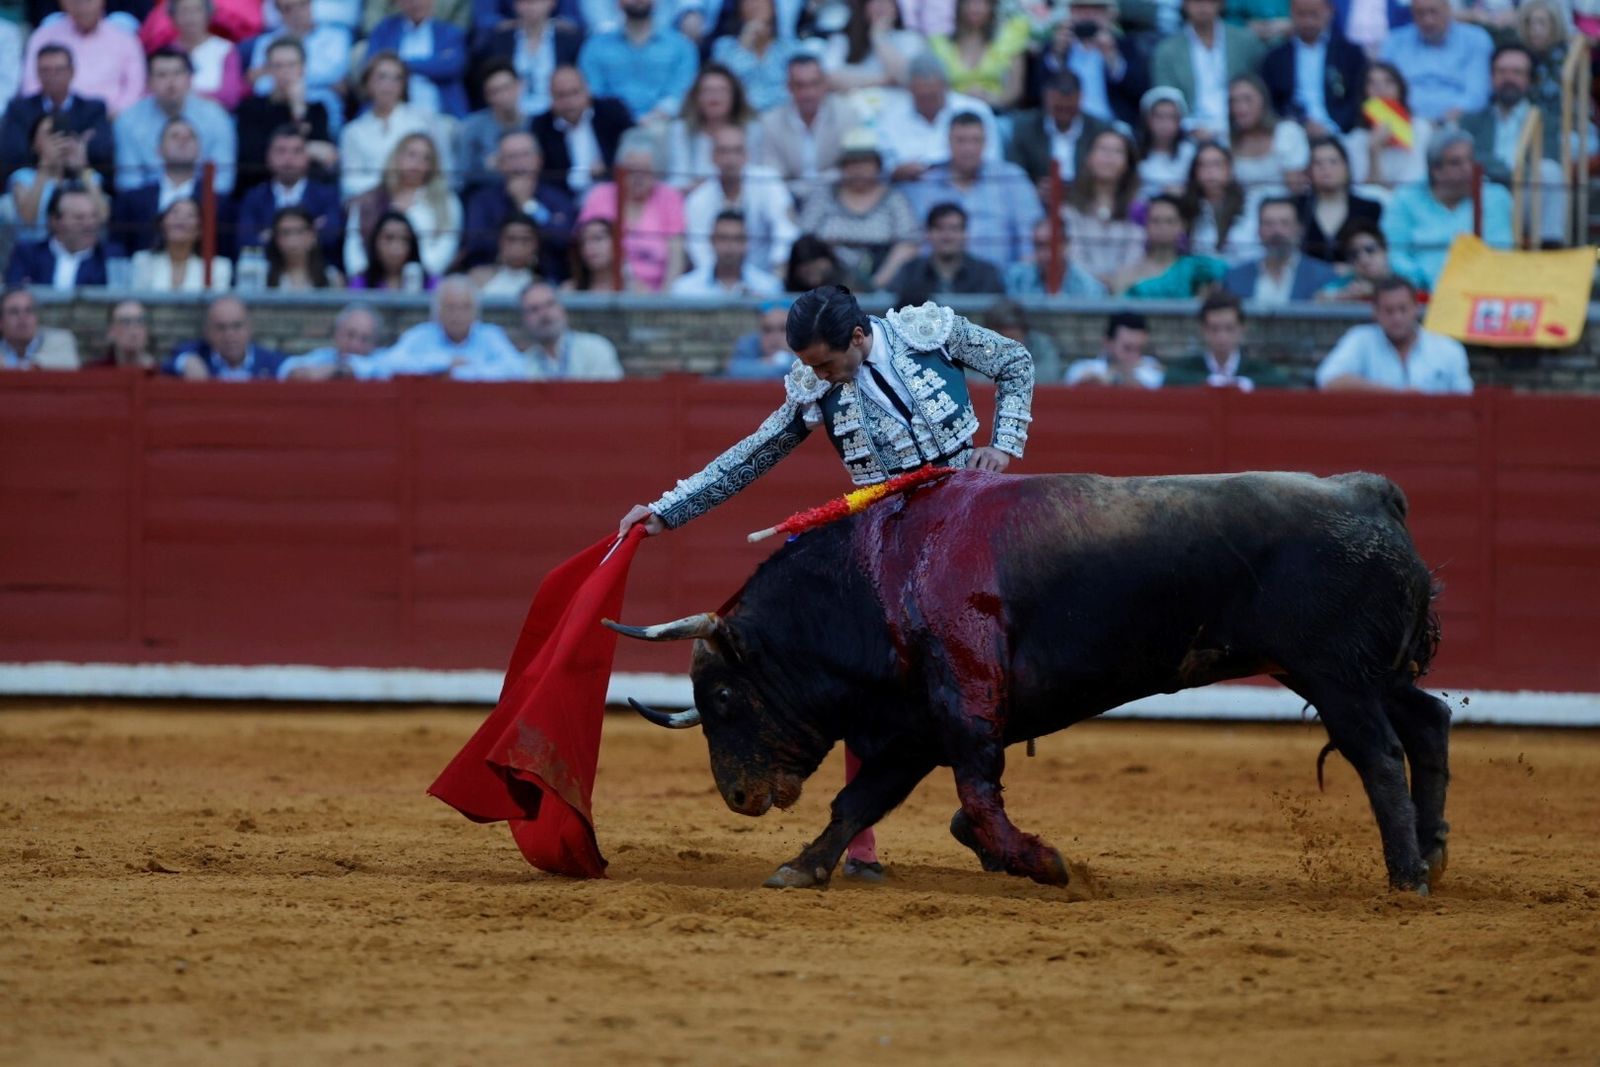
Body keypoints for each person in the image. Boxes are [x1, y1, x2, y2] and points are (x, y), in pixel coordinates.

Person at [615, 285, 1036, 881]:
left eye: (825, 362)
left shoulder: (928, 332)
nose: (817, 375)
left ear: (859, 337)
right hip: (890, 543)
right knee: (859, 678)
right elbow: (751, 454)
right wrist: (665, 512)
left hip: (972, 515)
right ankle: (861, 849)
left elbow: (1015, 362)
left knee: (999, 662)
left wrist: (1003, 444)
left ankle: (983, 813)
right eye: (810, 365)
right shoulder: (815, 385)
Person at [1459, 45, 1565, 248]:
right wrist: (1509, 170)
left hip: (1524, 199)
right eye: (1501, 71)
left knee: (1549, 171)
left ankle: (1550, 250)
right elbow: (1468, 158)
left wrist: (1501, 171)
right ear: (1491, 77)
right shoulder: (1471, 121)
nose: (1508, 78)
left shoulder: (1546, 121)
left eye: (1517, 72)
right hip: (1484, 198)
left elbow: (1549, 157)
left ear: (1529, 80)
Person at [909, 111, 1043, 267]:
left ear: (986, 143)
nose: (968, 149)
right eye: (961, 141)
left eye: (975, 141)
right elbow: (917, 240)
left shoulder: (1011, 178)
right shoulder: (929, 182)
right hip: (941, 282)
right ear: (948, 142)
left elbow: (1031, 239)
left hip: (1002, 284)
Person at [795, 128, 920, 292]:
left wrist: (876, 283)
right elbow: (805, 239)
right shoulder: (823, 196)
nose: (858, 169)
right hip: (827, 286)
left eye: (865, 162)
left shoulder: (895, 199)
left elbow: (908, 243)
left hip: (883, 286)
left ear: (878, 165)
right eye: (852, 163)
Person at [1382, 130, 1512, 286]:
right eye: (1456, 163)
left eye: (1470, 160)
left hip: (1480, 295)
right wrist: (1424, 283)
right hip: (1420, 298)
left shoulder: (1495, 198)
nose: (1468, 168)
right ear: (1435, 171)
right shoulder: (1405, 200)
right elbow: (1395, 254)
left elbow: (1501, 254)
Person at [1316, 275, 1472, 393]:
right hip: (1377, 433)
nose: (1397, 318)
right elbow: (1327, 380)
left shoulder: (1448, 349)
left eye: (1403, 309)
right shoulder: (1361, 339)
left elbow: (1467, 403)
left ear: (1416, 308)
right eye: (1389, 311)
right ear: (1375, 312)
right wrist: (1396, 395)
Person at [113, 48, 237, 194]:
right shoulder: (128, 120)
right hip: (148, 204)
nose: (171, 83)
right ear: (148, 82)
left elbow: (223, 180)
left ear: (190, 78)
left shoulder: (216, 116)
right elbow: (129, 182)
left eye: (178, 73)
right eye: (162, 75)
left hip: (203, 202)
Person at [577, 128, 687, 293]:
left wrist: (664, 300)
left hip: (656, 296)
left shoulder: (669, 198)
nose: (637, 179)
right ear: (619, 171)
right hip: (605, 289)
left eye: (645, 172)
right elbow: (585, 246)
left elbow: (676, 254)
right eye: (631, 171)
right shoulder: (599, 196)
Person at [356, 276, 528, 380]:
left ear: (476, 313)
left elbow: (517, 368)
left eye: (464, 307)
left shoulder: (491, 336)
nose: (458, 314)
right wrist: (443, 363)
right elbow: (387, 365)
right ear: (437, 312)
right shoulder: (420, 335)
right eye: (451, 307)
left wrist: (462, 373)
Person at [345, 132, 463, 278]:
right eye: (412, 154)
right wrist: (364, 276)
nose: (418, 162)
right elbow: (354, 243)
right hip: (372, 283)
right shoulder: (368, 200)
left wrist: (418, 274)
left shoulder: (446, 201)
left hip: (424, 284)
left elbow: (447, 245)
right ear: (397, 156)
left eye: (426, 158)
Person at [460, 130, 577, 278]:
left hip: (549, 279)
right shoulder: (483, 200)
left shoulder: (558, 198)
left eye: (525, 155)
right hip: (494, 279)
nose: (519, 163)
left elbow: (563, 240)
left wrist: (528, 205)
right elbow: (476, 243)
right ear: (500, 164)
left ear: (539, 159)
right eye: (511, 157)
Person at [683, 125, 797, 275]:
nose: (730, 159)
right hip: (716, 282)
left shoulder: (768, 182)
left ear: (747, 155)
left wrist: (777, 271)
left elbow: (785, 230)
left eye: (737, 151)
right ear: (713, 157)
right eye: (723, 151)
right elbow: (698, 248)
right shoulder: (698, 199)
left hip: (767, 276)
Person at [1150, 0, 1266, 142]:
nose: (1203, 6)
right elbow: (1166, 99)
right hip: (1189, 134)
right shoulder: (1167, 50)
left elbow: (1259, 88)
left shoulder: (1245, 42)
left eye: (1209, 1)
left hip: (1241, 127)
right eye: (1196, 2)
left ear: (1221, 4)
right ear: (1185, 5)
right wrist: (1190, 128)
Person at [0, 45, 115, 188]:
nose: (52, 76)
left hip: (79, 181)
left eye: (59, 70)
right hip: (33, 182)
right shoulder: (18, 109)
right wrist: (47, 154)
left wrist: (74, 150)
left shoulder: (93, 109)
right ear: (37, 73)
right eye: (45, 70)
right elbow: (12, 152)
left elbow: (102, 151)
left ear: (72, 72)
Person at [234, 38, 336, 194]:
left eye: (291, 65)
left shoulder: (317, 110)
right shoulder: (250, 108)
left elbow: (326, 159)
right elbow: (252, 156)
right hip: (261, 189)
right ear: (268, 70)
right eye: (278, 66)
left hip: (306, 192)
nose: (285, 72)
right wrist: (307, 150)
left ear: (302, 69)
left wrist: (298, 110)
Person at [877, 55, 1003, 181]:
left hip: (972, 186)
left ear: (945, 87)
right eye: (922, 97)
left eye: (933, 96)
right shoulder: (890, 117)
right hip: (910, 190)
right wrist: (897, 172)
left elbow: (993, 161)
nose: (928, 103)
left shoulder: (977, 109)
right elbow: (882, 169)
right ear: (909, 90)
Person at [757, 54, 860, 207]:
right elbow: (772, 175)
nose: (808, 93)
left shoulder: (847, 115)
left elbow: (850, 168)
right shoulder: (770, 122)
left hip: (837, 199)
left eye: (814, 84)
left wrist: (809, 188)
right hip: (787, 201)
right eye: (800, 85)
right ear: (789, 87)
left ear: (825, 84)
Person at [338, 53, 441, 201]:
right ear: (368, 83)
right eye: (382, 77)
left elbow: (436, 173)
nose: (389, 85)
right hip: (371, 203)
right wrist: (391, 188)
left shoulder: (422, 122)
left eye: (397, 78)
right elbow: (349, 183)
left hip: (417, 200)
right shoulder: (353, 132)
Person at [1032, 0, 1149, 128]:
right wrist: (1057, 55)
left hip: (1110, 125)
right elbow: (1037, 92)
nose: (1087, 14)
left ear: (1108, 14)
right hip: (1065, 125)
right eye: (1080, 8)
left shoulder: (1125, 45)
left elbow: (1139, 92)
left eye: (1095, 9)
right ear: (1070, 12)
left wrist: (1112, 58)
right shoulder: (1055, 47)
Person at [577, 0, 698, 123]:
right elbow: (593, 91)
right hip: (609, 128)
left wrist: (653, 118)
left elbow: (680, 92)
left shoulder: (681, 47)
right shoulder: (595, 47)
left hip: (666, 127)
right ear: (617, 2)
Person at [20, 0, 147, 117]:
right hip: (53, 118)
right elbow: (30, 86)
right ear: (63, 3)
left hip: (112, 121)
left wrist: (114, 114)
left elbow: (135, 89)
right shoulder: (43, 36)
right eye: (76, 1)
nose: (83, 7)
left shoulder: (125, 39)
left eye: (88, 1)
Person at [235, 125, 343, 260]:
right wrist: (308, 231)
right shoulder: (254, 197)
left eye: (297, 151)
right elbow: (246, 242)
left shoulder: (327, 195)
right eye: (281, 151)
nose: (288, 158)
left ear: (307, 157)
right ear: (268, 156)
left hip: (317, 272)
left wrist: (270, 235)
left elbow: (330, 238)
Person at [1261, 0, 1367, 136]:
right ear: (1291, 13)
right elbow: (1271, 103)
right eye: (1301, 14)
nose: (1308, 22)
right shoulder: (1275, 58)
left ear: (1329, 12)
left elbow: (1358, 98)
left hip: (1342, 132)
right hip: (1292, 133)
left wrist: (1333, 127)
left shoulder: (1350, 54)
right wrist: (1300, 124)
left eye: (1314, 14)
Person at [1379, 0, 1492, 123]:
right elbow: (1381, 89)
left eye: (1434, 12)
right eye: (1420, 13)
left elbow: (1477, 95)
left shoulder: (1475, 39)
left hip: (1458, 122)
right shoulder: (1394, 42)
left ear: (1448, 10)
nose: (1428, 20)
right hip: (1403, 122)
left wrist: (1444, 121)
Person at [6, 112, 111, 245]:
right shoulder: (22, 177)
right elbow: (28, 221)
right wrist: (44, 168)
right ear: (33, 144)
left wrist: (83, 168)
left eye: (61, 133)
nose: (57, 139)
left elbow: (103, 219)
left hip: (80, 251)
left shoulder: (88, 176)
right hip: (34, 253)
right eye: (49, 134)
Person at [532, 65, 634, 200]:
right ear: (550, 97)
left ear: (587, 90)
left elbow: (635, 147)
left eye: (574, 93)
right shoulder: (542, 127)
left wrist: (608, 166)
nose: (569, 101)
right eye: (561, 95)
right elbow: (546, 176)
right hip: (566, 203)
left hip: (614, 194)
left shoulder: (612, 112)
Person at [1061, 128, 1146, 288]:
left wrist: (1117, 281)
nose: (1109, 157)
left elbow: (1135, 255)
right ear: (1089, 157)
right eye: (1102, 149)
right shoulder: (1070, 208)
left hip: (1123, 289)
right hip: (1080, 290)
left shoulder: (1138, 208)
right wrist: (1095, 282)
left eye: (1117, 151)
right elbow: (1072, 254)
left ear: (1128, 163)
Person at [1008, 69, 1113, 190]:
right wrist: (1034, 189)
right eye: (1058, 109)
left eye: (1069, 109)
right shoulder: (1025, 127)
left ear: (1080, 98)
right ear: (1046, 98)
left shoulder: (1099, 130)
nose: (1064, 115)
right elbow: (1015, 173)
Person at [1164, 291, 1292, 389]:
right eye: (1214, 329)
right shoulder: (1188, 366)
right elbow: (1170, 378)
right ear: (1203, 330)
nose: (1222, 336)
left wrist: (1244, 382)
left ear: (1241, 329)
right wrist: (1210, 381)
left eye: (1229, 328)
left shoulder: (1256, 367)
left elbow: (1280, 381)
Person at [664, 63, 760, 193]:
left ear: (734, 96)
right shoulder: (681, 130)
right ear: (696, 97)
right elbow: (677, 181)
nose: (714, 96)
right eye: (707, 90)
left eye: (721, 90)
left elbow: (755, 177)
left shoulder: (751, 130)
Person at [1221, 196, 1336, 304]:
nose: (1276, 231)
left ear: (1299, 229)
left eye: (1284, 223)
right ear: (1258, 230)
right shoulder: (1235, 278)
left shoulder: (1323, 277)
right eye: (1268, 223)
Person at [479, 0, 583, 118]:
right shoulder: (500, 39)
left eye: (535, 1)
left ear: (552, 2)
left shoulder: (569, 39)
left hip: (557, 117)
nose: (530, 7)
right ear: (515, 4)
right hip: (512, 118)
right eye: (524, 2)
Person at [366, 0, 469, 117]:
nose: (416, 4)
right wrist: (435, 63)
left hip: (441, 115)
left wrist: (400, 64)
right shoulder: (384, 30)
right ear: (398, 3)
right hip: (393, 115)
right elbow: (373, 66)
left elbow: (453, 66)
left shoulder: (449, 32)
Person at [889, 202, 1006, 304]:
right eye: (940, 229)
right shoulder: (909, 272)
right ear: (928, 234)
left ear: (965, 234)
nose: (947, 236)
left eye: (954, 229)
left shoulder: (986, 274)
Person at [1115, 192, 1228, 297]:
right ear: (1145, 225)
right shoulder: (1126, 276)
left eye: (1170, 221)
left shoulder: (1198, 272)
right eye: (1155, 221)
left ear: (1182, 226)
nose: (1163, 227)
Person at [1343, 61, 1431, 194]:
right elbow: (1365, 194)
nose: (1380, 89)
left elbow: (1416, 184)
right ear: (1364, 92)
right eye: (1372, 83)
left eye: (1388, 82)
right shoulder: (1355, 139)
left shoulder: (1421, 129)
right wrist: (1374, 151)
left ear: (1400, 90)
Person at [926, 0, 1031, 111]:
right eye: (969, 2)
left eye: (982, 2)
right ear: (960, 5)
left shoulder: (1010, 38)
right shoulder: (940, 43)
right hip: (953, 112)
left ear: (991, 6)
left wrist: (989, 99)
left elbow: (1015, 89)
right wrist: (963, 99)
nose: (975, 8)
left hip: (997, 112)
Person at [240, 0, 352, 98]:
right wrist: (324, 83)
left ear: (311, 3)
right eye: (288, 8)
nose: (297, 12)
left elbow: (335, 75)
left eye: (302, 4)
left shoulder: (336, 36)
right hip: (275, 105)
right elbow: (261, 86)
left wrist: (272, 72)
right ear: (279, 12)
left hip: (320, 103)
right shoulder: (266, 42)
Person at [6, 186, 112, 289]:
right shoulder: (27, 255)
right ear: (55, 221)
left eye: (94, 216)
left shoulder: (109, 257)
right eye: (79, 218)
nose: (90, 224)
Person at [1297, 136, 1382, 263]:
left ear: (1346, 167)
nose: (1326, 168)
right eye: (1318, 163)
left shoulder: (1370, 209)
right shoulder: (1297, 207)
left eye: (1333, 162)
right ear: (1309, 171)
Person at [163, 296, 287, 380]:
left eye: (237, 326)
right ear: (208, 332)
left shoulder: (267, 360)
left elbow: (291, 366)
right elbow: (167, 363)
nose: (229, 334)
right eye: (221, 328)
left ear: (249, 329)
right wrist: (185, 361)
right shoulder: (200, 353)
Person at [518, 280, 625, 379]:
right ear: (524, 320)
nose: (544, 314)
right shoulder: (524, 364)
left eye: (550, 304)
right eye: (534, 309)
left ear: (562, 308)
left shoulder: (595, 349)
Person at [711, 0, 802, 112]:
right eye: (747, 1)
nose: (754, 4)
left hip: (781, 117)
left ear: (773, 8)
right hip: (739, 117)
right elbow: (723, 84)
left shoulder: (790, 49)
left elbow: (798, 89)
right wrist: (743, 47)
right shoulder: (724, 47)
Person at [1227, 74, 1309, 196]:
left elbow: (1298, 189)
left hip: (1284, 208)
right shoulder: (1226, 141)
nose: (1240, 108)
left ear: (1263, 101)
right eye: (1234, 101)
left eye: (1247, 99)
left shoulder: (1287, 133)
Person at [129, 196, 232, 291]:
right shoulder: (142, 261)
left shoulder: (219, 267)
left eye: (190, 215)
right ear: (162, 224)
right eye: (175, 213)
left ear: (200, 230)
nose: (181, 219)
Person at [671, 210, 785, 296]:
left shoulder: (769, 288)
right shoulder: (685, 289)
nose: (730, 246)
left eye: (737, 239)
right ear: (712, 241)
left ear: (746, 243)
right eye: (723, 238)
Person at [1181, 141, 1257, 263]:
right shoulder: (1186, 207)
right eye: (1203, 165)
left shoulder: (1251, 202)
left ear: (1229, 170)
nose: (1209, 171)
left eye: (1216, 165)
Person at [1315, 220, 1429, 300]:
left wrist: (1374, 292)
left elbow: (1424, 296)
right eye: (1354, 254)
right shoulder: (1349, 281)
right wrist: (1344, 295)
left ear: (1385, 250)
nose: (1363, 259)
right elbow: (1318, 298)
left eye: (1370, 250)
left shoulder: (1407, 275)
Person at [819, 0, 918, 91]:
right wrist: (884, 80)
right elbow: (828, 77)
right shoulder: (842, 40)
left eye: (886, 1)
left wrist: (879, 37)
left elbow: (906, 76)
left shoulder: (910, 39)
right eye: (874, 1)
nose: (880, 6)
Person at [168, 0, 245, 109]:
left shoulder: (225, 49)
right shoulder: (166, 52)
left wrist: (184, 96)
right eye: (184, 11)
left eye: (197, 10)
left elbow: (230, 97)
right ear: (173, 17)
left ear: (208, 14)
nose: (190, 17)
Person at [1004, 217, 1108, 297]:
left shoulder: (1089, 288)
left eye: (1052, 246)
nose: (1047, 255)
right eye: (1040, 245)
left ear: (1066, 245)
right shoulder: (1015, 280)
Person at [277, 303, 385, 379]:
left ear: (374, 344)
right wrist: (301, 373)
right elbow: (287, 367)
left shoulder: (381, 362)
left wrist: (333, 371)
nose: (355, 344)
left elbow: (365, 369)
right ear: (337, 334)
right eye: (350, 335)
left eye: (364, 339)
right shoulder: (324, 356)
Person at [1066, 309, 1164, 387]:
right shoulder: (1081, 368)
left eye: (1139, 348)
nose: (1134, 355)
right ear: (1108, 343)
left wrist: (1124, 375)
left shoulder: (1151, 369)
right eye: (1127, 348)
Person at [1134, 87, 1196, 199]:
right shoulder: (1134, 152)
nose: (1165, 124)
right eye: (1159, 117)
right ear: (1148, 120)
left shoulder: (1190, 153)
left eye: (1171, 117)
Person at [1, 286, 81, 370]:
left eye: (29, 310)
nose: (22, 317)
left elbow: (71, 364)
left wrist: (30, 366)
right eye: (14, 312)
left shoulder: (61, 340)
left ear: (36, 318)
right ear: (1, 322)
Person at [349, 209, 432, 290]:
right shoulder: (361, 284)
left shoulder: (429, 283)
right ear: (375, 241)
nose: (396, 246)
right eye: (389, 238)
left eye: (404, 239)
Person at [264, 205, 342, 289]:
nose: (292, 240)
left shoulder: (332, 277)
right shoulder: (261, 275)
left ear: (313, 236)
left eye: (299, 232)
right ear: (276, 238)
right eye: (285, 233)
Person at [986, 297, 1063, 381]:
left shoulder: (1041, 344)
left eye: (1014, 327)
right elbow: (973, 378)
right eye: (1002, 328)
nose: (1009, 333)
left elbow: (1049, 375)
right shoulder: (981, 344)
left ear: (1024, 329)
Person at [468, 213, 544, 295]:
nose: (518, 246)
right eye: (511, 239)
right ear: (500, 241)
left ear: (536, 244)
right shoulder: (476, 278)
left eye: (525, 239)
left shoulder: (543, 286)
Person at [563, 216, 638, 291]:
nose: (589, 246)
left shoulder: (636, 291)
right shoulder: (570, 291)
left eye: (598, 238)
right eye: (583, 242)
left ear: (617, 243)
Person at [723, 299, 793, 378]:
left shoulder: (806, 346)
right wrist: (772, 364)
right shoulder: (749, 343)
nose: (774, 337)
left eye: (783, 329)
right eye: (767, 330)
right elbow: (734, 368)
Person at [102, 298, 155, 371]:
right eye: (126, 322)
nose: (133, 330)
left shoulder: (161, 374)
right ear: (111, 332)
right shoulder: (96, 373)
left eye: (140, 321)